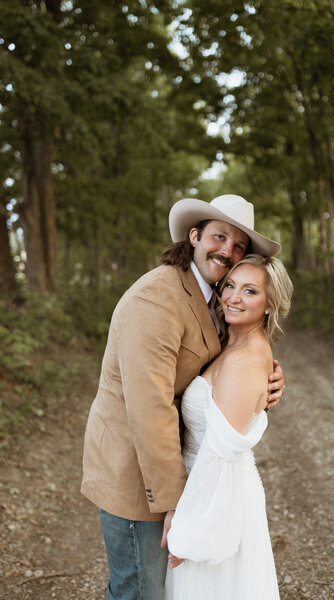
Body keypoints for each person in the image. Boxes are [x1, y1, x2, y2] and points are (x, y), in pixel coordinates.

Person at [81, 195, 285, 600]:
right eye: (219, 236)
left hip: (178, 468)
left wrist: (269, 376)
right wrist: (178, 504)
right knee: (139, 591)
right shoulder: (156, 298)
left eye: (239, 245)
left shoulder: (211, 296)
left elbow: (233, 359)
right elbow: (150, 408)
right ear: (194, 236)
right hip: (137, 472)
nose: (227, 251)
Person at [165, 254, 293, 600]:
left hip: (216, 497)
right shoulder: (228, 343)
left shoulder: (243, 358)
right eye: (231, 286)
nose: (234, 298)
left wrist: (189, 526)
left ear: (270, 305)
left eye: (250, 291)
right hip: (209, 488)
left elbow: (217, 455)